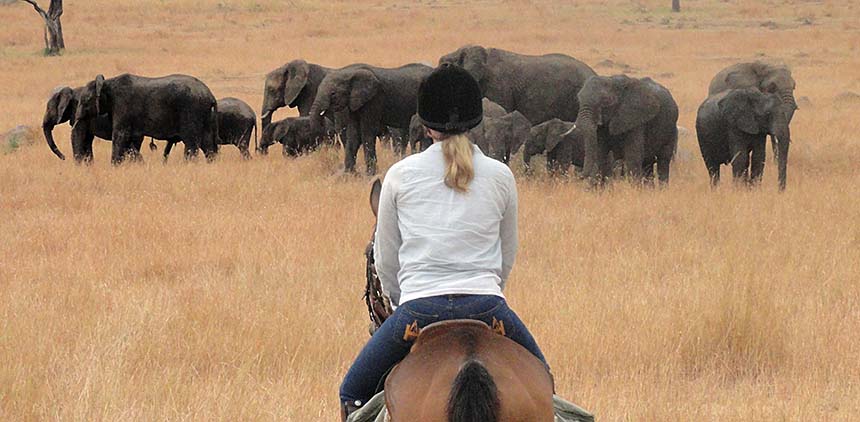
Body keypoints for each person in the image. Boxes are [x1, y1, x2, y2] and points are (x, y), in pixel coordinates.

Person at [338, 63, 548, 421]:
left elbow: (386, 260)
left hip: (418, 310)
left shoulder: (400, 176)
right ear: (476, 121)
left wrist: (401, 301)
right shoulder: (501, 175)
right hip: (487, 305)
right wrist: (486, 293)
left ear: (424, 124)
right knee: (546, 384)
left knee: (353, 391)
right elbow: (506, 254)